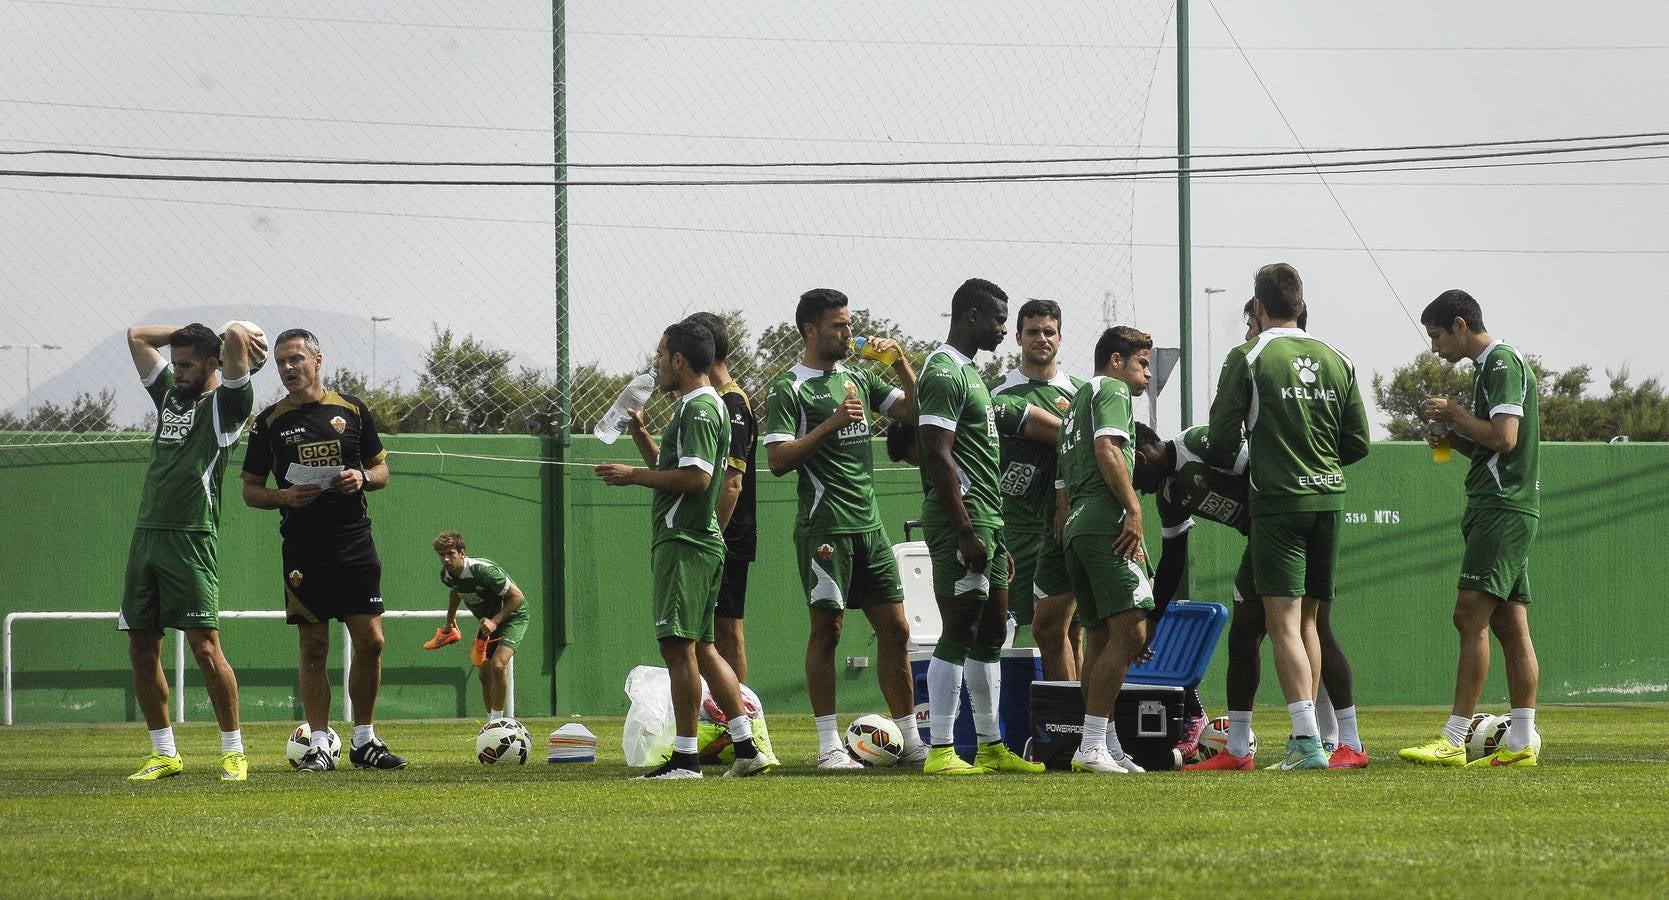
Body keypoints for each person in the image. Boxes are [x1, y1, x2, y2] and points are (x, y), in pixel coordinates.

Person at [1203, 264, 1370, 771]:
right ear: (1301, 303)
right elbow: (1357, 442)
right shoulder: (1338, 357)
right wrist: (1315, 462)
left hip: (1277, 503)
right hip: (1329, 501)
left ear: (1258, 306)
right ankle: (1311, 738)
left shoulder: (1249, 356)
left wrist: (1273, 458)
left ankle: (1305, 742)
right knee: (1311, 622)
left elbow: (1221, 440)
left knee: (1282, 625)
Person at [594, 320, 770, 779]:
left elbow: (697, 480)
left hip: (686, 541)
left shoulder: (698, 408)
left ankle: (687, 758)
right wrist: (642, 440)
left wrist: (631, 476)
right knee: (706, 648)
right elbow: (678, 469)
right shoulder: (704, 405)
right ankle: (747, 746)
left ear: (678, 360)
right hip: (701, 540)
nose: (655, 365)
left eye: (659, 355)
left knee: (678, 647)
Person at [761, 288, 926, 769]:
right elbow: (776, 460)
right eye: (838, 326)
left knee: (896, 631)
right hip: (824, 528)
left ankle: (913, 740)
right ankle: (829, 744)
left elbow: (915, 413)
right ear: (810, 331)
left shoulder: (857, 376)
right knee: (828, 631)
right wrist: (830, 424)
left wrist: (900, 364)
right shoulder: (788, 388)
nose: (848, 333)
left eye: (849, 325)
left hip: (870, 528)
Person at [241, 328, 406, 772]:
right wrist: (285, 497)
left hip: (354, 541)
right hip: (303, 548)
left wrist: (362, 479)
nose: (288, 368)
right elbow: (250, 491)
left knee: (371, 642)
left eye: (296, 359)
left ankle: (365, 742)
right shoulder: (269, 421)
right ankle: (318, 744)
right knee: (313, 647)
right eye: (280, 362)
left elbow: (382, 470)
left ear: (318, 360)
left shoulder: (352, 410)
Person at [1400, 289, 1543, 768]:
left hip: (1503, 507)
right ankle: (1522, 740)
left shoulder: (1500, 361)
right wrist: (1455, 438)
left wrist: (1456, 414)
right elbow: (1490, 445)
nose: (1435, 348)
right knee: (1509, 622)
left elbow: (1505, 437)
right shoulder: (1490, 368)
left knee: (1469, 615)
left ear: (1461, 325)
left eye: (1438, 336)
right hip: (1501, 504)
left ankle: (1454, 737)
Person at [120, 322, 262, 781]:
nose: (175, 371)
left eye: (186, 364)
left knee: (204, 648)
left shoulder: (228, 406)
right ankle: (165, 753)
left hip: (192, 537)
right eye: (174, 363)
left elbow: (239, 336)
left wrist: (227, 336)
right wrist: (186, 333)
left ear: (212, 364)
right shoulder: (169, 396)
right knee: (142, 648)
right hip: (147, 537)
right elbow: (137, 336)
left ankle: (233, 751)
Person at [914, 278, 1043, 775]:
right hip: (960, 523)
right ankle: (941, 749)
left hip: (990, 522)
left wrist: (997, 536)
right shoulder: (944, 372)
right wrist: (965, 530)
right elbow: (937, 455)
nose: (1003, 330)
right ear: (970, 315)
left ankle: (990, 746)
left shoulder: (972, 376)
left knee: (992, 631)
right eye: (997, 320)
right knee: (960, 629)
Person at [1055, 326, 1156, 774]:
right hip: (1105, 519)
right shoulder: (1112, 390)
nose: (1148, 373)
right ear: (1116, 361)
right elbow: (1106, 447)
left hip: (1079, 524)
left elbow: (1061, 485)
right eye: (1143, 363)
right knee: (1131, 635)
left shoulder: (1074, 402)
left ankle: (1106, 744)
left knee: (1097, 636)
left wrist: (1069, 530)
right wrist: (1132, 508)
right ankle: (1091, 745)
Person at [987, 298, 1086, 681]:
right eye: (1032, 332)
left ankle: (1075, 725)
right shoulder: (996, 392)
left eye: (1049, 332)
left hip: (1063, 531)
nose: (1041, 339)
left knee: (1070, 630)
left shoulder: (1081, 394)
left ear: (1061, 338)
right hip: (1012, 530)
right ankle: (994, 725)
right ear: (1017, 337)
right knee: (994, 627)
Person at [684, 312, 758, 685]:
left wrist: (710, 534)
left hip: (727, 535)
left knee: (727, 630)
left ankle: (744, 717)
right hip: (715, 535)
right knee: (707, 631)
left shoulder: (731, 404)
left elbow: (732, 484)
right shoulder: (709, 402)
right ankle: (721, 715)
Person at [430, 531, 528, 723]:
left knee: (498, 665)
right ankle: (490, 722)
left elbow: (517, 597)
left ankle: (498, 724)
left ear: (462, 553)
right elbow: (456, 592)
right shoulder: (448, 576)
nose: (446, 559)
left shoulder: (482, 571)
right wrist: (449, 622)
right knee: (484, 675)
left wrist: (495, 622)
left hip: (513, 617)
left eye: (451, 553)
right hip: (489, 622)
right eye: (442, 555)